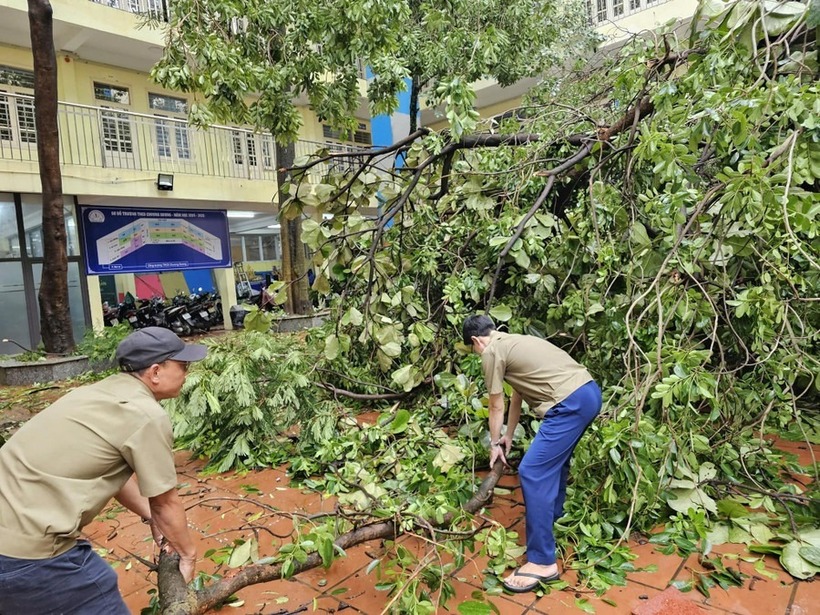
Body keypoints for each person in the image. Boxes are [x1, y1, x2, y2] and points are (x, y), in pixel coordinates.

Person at [0, 327, 206, 614]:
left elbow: (106, 472)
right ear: (156, 372)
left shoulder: (94, 394)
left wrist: (148, 516)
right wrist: (188, 554)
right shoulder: (145, 415)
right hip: (27, 556)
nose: (187, 373)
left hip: (9, 535)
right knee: (96, 590)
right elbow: (165, 502)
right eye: (182, 366)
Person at [462, 315, 602, 593]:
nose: (477, 353)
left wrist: (493, 444)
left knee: (532, 471)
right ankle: (554, 520)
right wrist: (508, 436)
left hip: (568, 403)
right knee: (554, 463)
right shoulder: (513, 341)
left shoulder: (490, 351)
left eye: (473, 349)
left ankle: (541, 562)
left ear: (476, 341)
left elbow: (495, 404)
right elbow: (519, 394)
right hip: (588, 393)